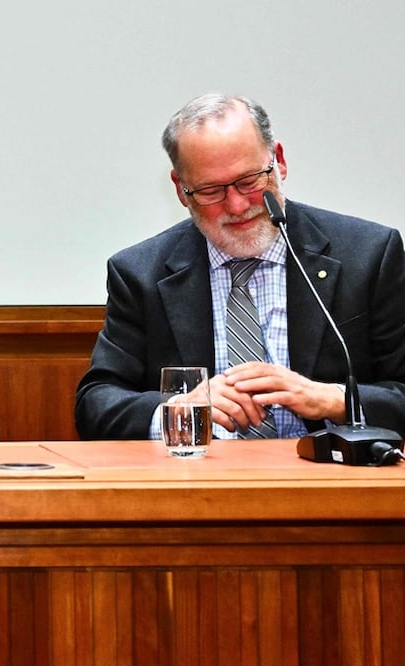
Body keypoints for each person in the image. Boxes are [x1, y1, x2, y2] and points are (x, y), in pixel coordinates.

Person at [75, 93, 405, 441]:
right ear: (181, 189)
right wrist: (180, 409)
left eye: (250, 181)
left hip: (332, 480)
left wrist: (335, 399)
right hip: (196, 481)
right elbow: (96, 405)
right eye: (211, 191)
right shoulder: (141, 273)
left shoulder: (367, 255)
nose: (236, 205)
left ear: (278, 161)